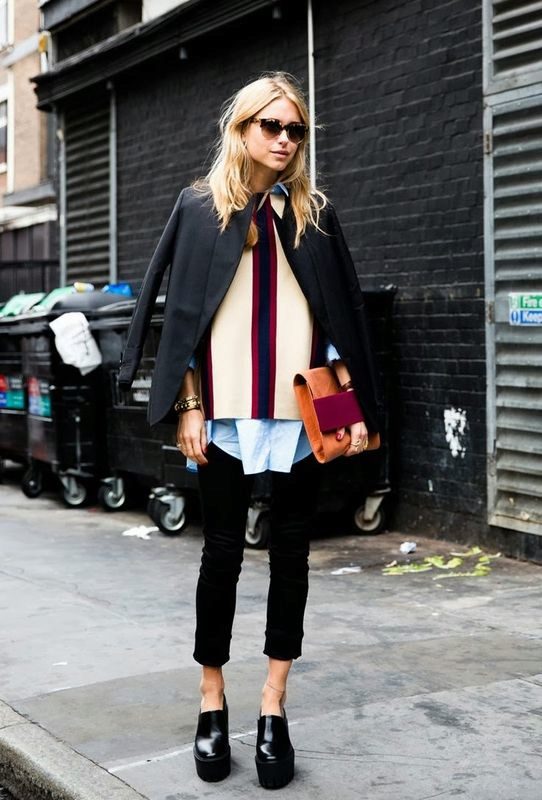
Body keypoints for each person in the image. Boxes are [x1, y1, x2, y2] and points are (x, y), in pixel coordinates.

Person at [118, 71, 381, 790]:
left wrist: (350, 410)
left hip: (298, 415)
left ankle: (273, 705)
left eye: (296, 129)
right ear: (240, 129)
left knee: (292, 557)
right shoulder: (199, 209)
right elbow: (181, 317)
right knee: (222, 557)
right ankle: (211, 700)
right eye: (272, 125)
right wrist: (188, 404)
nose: (285, 140)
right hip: (225, 412)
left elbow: (340, 322)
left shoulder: (314, 215)